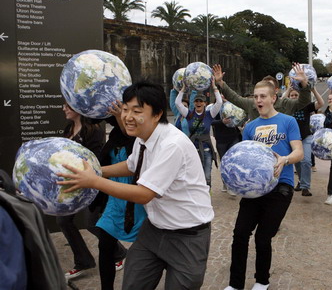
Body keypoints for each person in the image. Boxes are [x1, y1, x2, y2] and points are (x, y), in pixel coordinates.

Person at [57, 81, 214, 290]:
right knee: (133, 284)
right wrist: (96, 171)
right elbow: (131, 166)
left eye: (136, 111)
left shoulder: (172, 145)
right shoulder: (142, 136)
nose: (127, 117)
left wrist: (94, 181)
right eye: (125, 109)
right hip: (155, 229)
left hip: (188, 235)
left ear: (157, 114)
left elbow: (143, 194)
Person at [224, 80, 303, 290]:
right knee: (240, 233)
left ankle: (261, 281)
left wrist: (284, 159)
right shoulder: (250, 127)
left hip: (280, 187)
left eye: (263, 96)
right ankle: (235, 284)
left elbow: (299, 152)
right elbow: (244, 158)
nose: (258, 100)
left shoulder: (288, 122)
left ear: (273, 98)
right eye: (256, 96)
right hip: (254, 189)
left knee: (262, 236)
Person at [56, 103, 112, 279]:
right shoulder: (69, 128)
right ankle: (83, 261)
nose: (64, 109)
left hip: (90, 183)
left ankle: (118, 253)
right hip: (73, 182)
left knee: (92, 224)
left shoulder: (93, 131)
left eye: (68, 106)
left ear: (78, 108)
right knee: (63, 221)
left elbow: (96, 160)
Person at [95, 102, 147, 290]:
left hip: (138, 199)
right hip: (115, 200)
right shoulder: (114, 139)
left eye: (128, 112)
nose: (125, 116)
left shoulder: (140, 140)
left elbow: (131, 137)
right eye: (123, 112)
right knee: (105, 246)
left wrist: (120, 117)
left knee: (145, 251)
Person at [212, 63, 310, 121]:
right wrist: (220, 83)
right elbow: (235, 98)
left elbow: (304, 101)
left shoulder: (286, 106)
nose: (259, 100)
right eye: (257, 96)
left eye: (269, 87)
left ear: (276, 91)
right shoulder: (252, 105)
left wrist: (304, 84)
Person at [283, 65, 324, 196]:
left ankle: (305, 186)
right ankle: (301, 181)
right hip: (293, 140)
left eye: (296, 95)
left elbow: (321, 103)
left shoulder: (305, 106)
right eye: (292, 95)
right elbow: (280, 101)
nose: (294, 97)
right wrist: (289, 89)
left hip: (306, 137)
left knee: (306, 160)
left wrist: (313, 89)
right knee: (298, 164)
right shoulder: (287, 107)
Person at [175, 80, 222, 188]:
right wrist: (183, 89)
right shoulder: (189, 114)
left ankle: (207, 194)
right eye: (196, 101)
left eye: (201, 101)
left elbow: (219, 102)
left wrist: (214, 87)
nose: (199, 103)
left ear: (205, 103)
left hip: (206, 150)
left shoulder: (209, 114)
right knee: (194, 176)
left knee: (207, 176)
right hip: (193, 151)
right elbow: (177, 103)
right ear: (194, 103)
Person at [211, 94, 242, 195]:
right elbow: (210, 122)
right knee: (224, 163)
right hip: (221, 140)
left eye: (224, 97)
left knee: (234, 161)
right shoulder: (213, 109)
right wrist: (222, 122)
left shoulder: (232, 107)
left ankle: (233, 184)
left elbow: (239, 117)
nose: (223, 99)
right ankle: (226, 183)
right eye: (221, 97)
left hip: (233, 137)